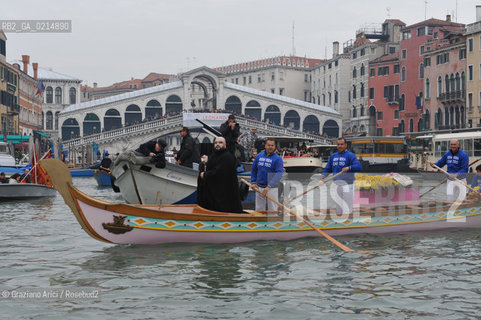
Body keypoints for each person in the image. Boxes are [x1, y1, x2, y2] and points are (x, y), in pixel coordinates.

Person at [197, 137, 243, 213]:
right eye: (216, 143)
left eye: (220, 142)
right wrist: (206, 163)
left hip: (224, 194)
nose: (217, 144)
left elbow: (220, 172)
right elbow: (212, 167)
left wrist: (205, 174)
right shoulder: (214, 155)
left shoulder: (227, 157)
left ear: (225, 144)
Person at [320, 137, 362, 215]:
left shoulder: (350, 155)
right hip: (337, 185)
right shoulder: (333, 156)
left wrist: (349, 168)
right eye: (338, 144)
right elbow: (328, 168)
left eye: (342, 144)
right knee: (338, 209)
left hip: (347, 185)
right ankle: (339, 223)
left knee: (347, 209)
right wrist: (322, 178)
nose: (340, 146)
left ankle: (348, 223)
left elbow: (359, 166)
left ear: (345, 145)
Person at [251, 138, 284, 212]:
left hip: (272, 188)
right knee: (259, 210)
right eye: (268, 145)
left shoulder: (278, 159)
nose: (270, 147)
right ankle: (259, 223)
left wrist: (269, 186)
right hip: (259, 187)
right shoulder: (259, 156)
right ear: (265, 146)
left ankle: (273, 223)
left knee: (273, 210)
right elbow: (254, 169)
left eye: (272, 145)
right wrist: (253, 182)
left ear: (275, 146)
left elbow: (279, 174)